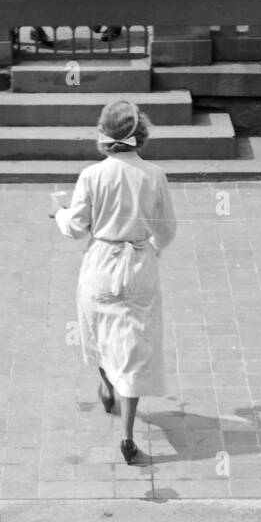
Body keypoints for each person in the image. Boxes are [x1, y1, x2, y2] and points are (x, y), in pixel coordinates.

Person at [53, 100, 177, 463]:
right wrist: (150, 249)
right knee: (135, 346)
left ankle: (107, 381)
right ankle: (126, 435)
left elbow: (75, 227)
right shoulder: (153, 174)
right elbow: (166, 229)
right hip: (139, 264)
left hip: (101, 265)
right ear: (140, 134)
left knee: (100, 331)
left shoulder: (92, 176)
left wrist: (59, 213)